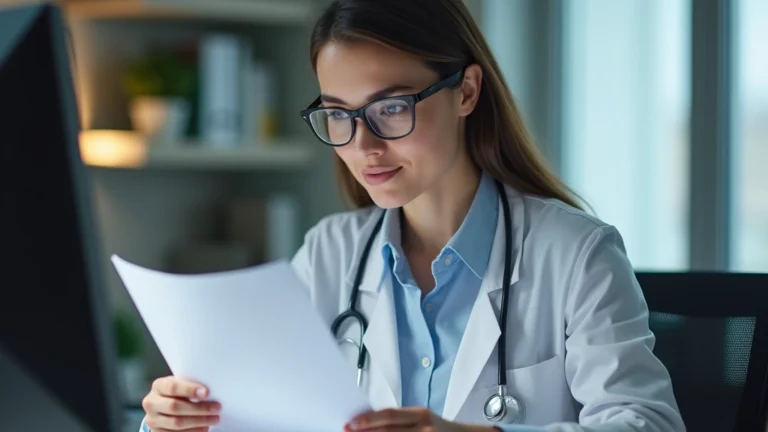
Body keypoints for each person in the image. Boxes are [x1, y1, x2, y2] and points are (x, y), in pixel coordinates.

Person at [138, 0, 686, 431]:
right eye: (339, 115)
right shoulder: (329, 254)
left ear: (467, 91)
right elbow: (259, 411)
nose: (364, 145)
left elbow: (648, 424)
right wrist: (182, 421)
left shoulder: (576, 255)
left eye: (392, 107)